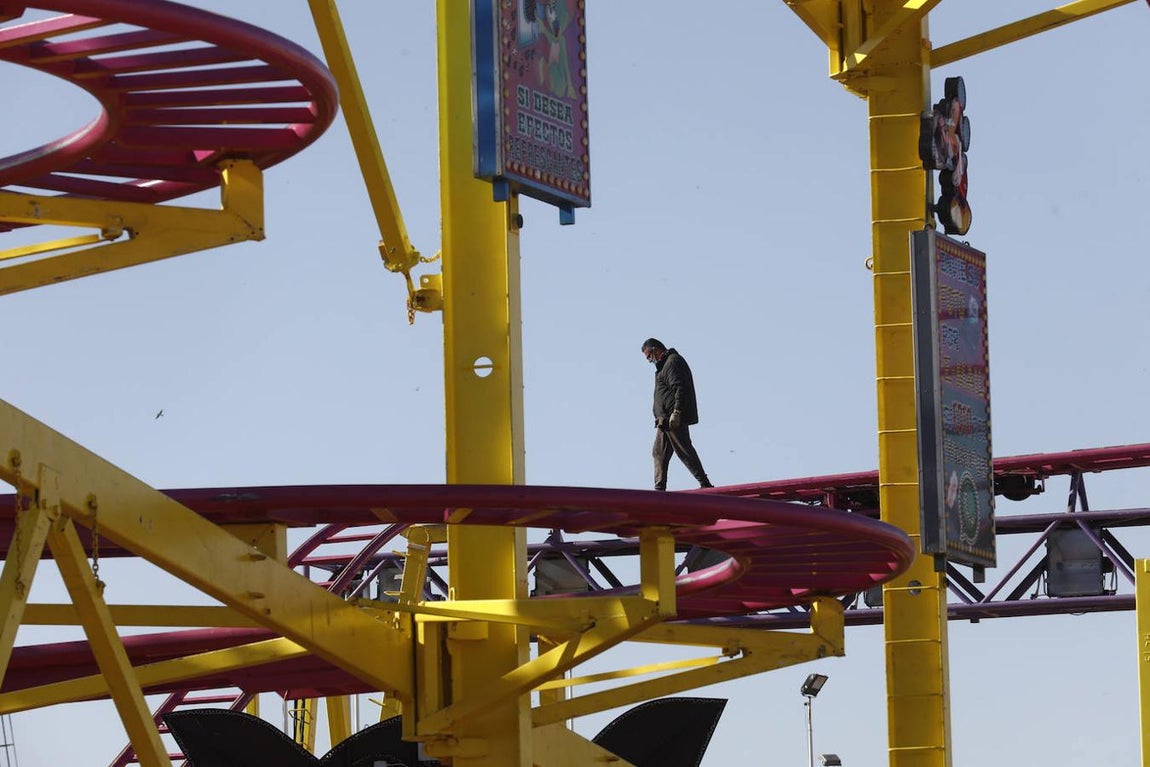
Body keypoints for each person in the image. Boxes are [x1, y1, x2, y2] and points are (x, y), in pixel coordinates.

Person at [641, 338, 713, 491]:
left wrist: (677, 412)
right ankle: (659, 488)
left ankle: (705, 484)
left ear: (655, 349)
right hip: (663, 421)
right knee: (658, 453)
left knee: (684, 451)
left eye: (649, 356)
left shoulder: (672, 362)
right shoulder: (663, 367)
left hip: (672, 418)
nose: (649, 361)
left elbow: (680, 388)